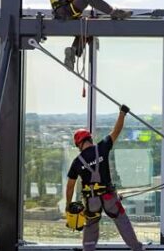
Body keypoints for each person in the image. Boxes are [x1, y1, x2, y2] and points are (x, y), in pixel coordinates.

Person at [65, 104, 143, 251]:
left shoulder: (77, 162)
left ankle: (88, 249)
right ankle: (137, 248)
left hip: (92, 201)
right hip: (109, 197)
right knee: (121, 220)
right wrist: (122, 113)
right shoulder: (102, 148)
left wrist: (68, 204)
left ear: (79, 144)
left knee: (91, 226)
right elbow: (116, 131)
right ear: (89, 139)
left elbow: (70, 186)